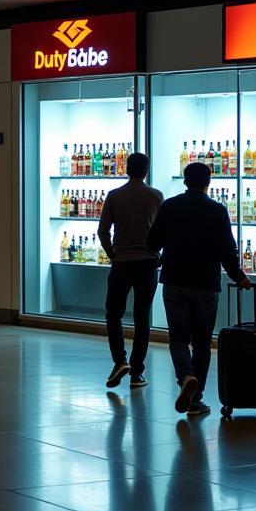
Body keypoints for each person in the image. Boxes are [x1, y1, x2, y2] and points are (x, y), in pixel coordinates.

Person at [146, 161, 251, 417]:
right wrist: (239, 277)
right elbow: (228, 250)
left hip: (174, 280)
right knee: (202, 343)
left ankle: (186, 376)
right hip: (206, 283)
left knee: (178, 337)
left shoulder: (169, 206)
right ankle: (196, 399)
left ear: (184, 181)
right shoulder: (217, 210)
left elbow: (152, 242)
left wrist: (163, 256)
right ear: (209, 182)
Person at [97, 152, 164, 389]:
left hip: (122, 263)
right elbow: (163, 232)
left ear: (126, 169)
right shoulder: (156, 196)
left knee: (113, 313)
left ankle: (119, 361)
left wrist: (113, 254)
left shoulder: (114, 196)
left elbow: (103, 231)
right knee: (142, 317)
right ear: (146, 170)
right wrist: (160, 256)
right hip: (147, 263)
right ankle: (137, 372)